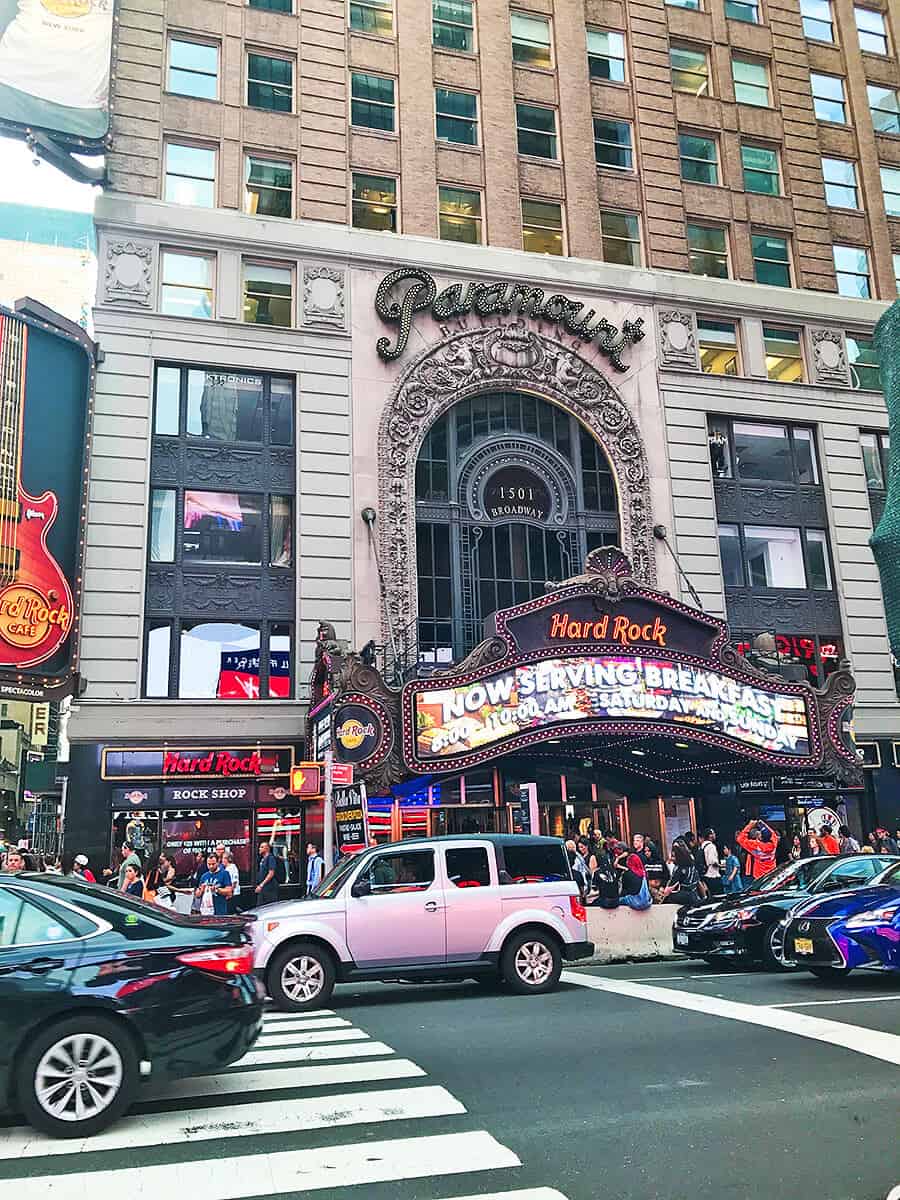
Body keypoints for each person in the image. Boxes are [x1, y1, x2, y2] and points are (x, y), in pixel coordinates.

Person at [661, 841, 702, 905]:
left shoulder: (679, 867)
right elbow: (699, 882)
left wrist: (664, 893)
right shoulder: (692, 863)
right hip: (695, 895)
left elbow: (669, 889)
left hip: (686, 896)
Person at [195, 852, 233, 916]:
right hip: (206, 911)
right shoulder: (204, 876)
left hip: (220, 911)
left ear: (218, 862)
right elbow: (197, 895)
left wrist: (217, 890)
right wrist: (201, 889)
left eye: (213, 864)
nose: (211, 866)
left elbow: (229, 891)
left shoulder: (224, 874)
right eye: (209, 864)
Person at [255, 841, 279, 906]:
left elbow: (271, 873)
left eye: (262, 847)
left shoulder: (270, 858)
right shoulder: (262, 859)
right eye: (260, 847)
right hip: (263, 888)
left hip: (269, 889)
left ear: (267, 848)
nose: (259, 849)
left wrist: (261, 885)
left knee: (269, 907)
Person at [699, 829, 722, 896]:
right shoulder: (711, 846)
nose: (715, 835)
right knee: (718, 896)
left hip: (705, 874)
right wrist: (721, 866)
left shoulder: (702, 846)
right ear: (710, 835)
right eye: (713, 833)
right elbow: (713, 861)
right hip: (713, 875)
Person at [221, 848, 241, 913]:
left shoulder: (233, 867)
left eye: (224, 858)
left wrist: (230, 893)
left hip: (233, 894)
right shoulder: (226, 868)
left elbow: (234, 882)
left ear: (228, 859)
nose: (222, 860)